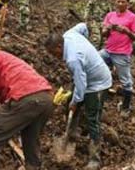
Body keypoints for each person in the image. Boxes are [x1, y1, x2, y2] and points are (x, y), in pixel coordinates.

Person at [48, 23, 111, 170]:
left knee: (92, 118)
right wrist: (88, 49)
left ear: (59, 47)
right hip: (85, 78)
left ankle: (95, 159)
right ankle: (71, 133)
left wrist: (76, 101)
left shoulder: (73, 59)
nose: (53, 57)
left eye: (53, 53)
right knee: (70, 103)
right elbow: (83, 26)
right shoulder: (69, 34)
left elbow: (81, 86)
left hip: (98, 84)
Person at [100, 0, 135, 116]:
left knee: (126, 81)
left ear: (128, 3)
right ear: (115, 1)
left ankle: (126, 106)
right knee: (95, 65)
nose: (120, 3)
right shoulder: (110, 15)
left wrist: (127, 31)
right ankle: (102, 97)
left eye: (123, 1)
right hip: (107, 50)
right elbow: (103, 33)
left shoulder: (133, 17)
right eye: (118, 1)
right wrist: (107, 30)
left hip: (122, 53)